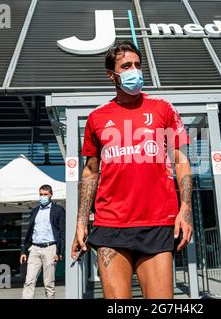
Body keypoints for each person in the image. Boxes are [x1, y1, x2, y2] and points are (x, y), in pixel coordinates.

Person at [71, 41, 193, 299]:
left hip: (158, 222)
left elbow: (181, 160)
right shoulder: (97, 117)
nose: (134, 71)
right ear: (111, 74)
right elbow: (91, 171)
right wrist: (81, 221)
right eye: (126, 66)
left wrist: (186, 208)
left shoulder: (163, 109)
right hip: (110, 224)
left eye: (138, 65)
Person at [20, 184, 65, 299]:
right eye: (41, 194)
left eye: (45, 194)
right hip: (34, 249)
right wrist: (24, 251)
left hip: (50, 248)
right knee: (29, 281)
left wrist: (60, 252)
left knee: (49, 283)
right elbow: (30, 232)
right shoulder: (35, 210)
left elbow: (62, 233)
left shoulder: (58, 210)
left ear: (51, 195)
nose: (43, 197)